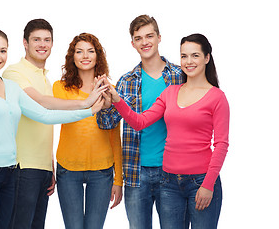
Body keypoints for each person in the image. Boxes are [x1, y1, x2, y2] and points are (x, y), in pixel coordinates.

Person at [0, 29, 104, 229]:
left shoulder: (11, 87)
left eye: (2, 51)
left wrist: (89, 110)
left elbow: (44, 115)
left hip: (10, 172)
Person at [106, 33, 229, 229]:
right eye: (184, 56)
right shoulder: (171, 92)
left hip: (201, 180)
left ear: (207, 58)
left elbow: (221, 144)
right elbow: (140, 121)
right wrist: (117, 100)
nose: (189, 62)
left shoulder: (217, 97)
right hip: (169, 182)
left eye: (195, 55)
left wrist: (208, 184)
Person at [2, 19, 106, 229]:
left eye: (47, 40)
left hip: (42, 168)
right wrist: (85, 104)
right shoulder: (13, 73)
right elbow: (40, 104)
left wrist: (49, 163)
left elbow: (45, 124)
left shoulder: (46, 80)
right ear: (25, 42)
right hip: (23, 166)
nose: (42, 44)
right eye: (36, 39)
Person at [96, 15, 184, 228]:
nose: (145, 42)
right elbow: (107, 124)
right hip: (136, 173)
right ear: (133, 43)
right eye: (139, 38)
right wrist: (107, 106)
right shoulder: (127, 81)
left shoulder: (179, 76)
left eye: (149, 36)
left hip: (172, 172)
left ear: (159, 38)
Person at [53, 33, 123, 229]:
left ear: (97, 56)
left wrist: (118, 179)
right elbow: (56, 118)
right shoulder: (60, 88)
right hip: (68, 169)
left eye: (90, 51)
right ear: (72, 57)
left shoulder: (110, 90)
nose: (85, 56)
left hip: (102, 172)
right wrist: (89, 102)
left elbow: (115, 137)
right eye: (79, 51)